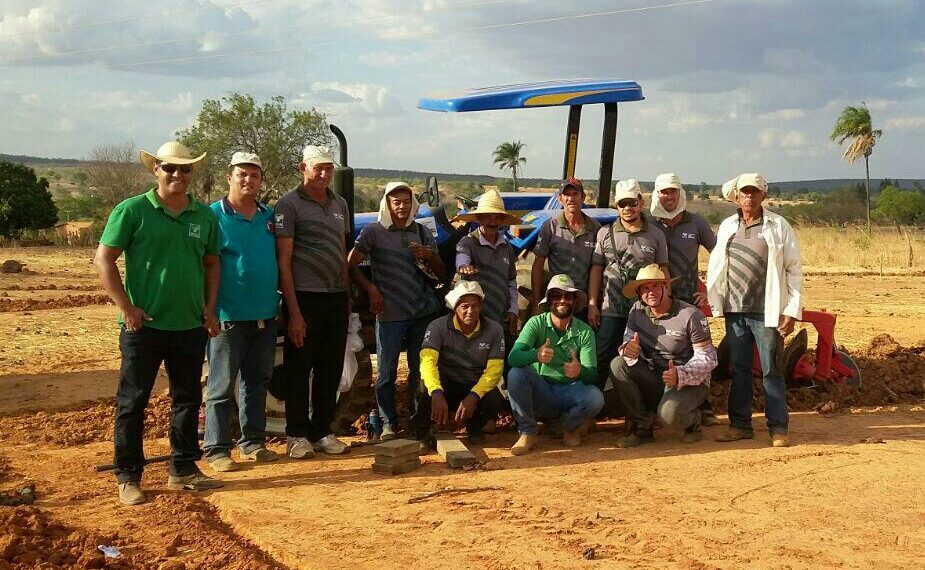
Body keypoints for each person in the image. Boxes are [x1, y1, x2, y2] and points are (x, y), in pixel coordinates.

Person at [94, 141, 222, 505]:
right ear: (156, 170)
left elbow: (212, 263)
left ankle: (182, 469)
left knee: (187, 398)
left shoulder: (203, 216)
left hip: (189, 326)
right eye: (170, 168)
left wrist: (209, 307)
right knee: (133, 402)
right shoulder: (132, 210)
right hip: (143, 328)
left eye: (185, 169)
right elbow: (104, 261)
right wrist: (127, 307)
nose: (177, 175)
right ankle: (129, 476)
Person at [706, 173, 803, 448]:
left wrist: (791, 310)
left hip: (766, 310)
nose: (749, 196)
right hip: (734, 310)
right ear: (736, 196)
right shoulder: (727, 225)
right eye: (744, 192)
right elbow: (717, 266)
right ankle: (740, 425)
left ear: (763, 195)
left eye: (754, 192)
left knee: (772, 367)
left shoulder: (778, 225)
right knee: (739, 368)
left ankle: (778, 427)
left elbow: (793, 269)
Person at [348, 181, 445, 441]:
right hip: (389, 312)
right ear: (388, 205)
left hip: (421, 311)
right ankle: (389, 423)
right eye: (396, 202)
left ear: (412, 204)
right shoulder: (373, 232)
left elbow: (442, 273)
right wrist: (371, 289)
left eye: (406, 201)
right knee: (387, 372)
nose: (402, 206)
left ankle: (417, 424)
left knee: (420, 370)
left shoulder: (422, 232)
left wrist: (429, 254)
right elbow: (350, 264)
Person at [203, 152, 280, 473]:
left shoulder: (270, 217)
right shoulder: (212, 216)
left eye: (254, 175)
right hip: (228, 314)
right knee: (221, 385)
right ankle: (217, 449)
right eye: (242, 175)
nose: (249, 180)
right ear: (229, 178)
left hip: (265, 312)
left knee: (256, 381)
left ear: (261, 180)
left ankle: (252, 443)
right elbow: (205, 264)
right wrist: (209, 310)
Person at [274, 145, 351, 459]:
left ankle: (322, 430)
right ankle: (296, 434)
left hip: (336, 297)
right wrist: (293, 310)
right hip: (305, 297)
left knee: (330, 368)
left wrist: (346, 298)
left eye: (329, 168)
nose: (324, 174)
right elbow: (284, 261)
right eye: (318, 168)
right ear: (302, 168)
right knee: (299, 367)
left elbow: (343, 253)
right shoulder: (288, 205)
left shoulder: (340, 204)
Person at [610, 264, 717, 447]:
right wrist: (629, 350)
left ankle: (693, 421)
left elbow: (708, 358)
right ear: (639, 293)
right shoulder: (636, 311)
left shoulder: (690, 315)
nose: (650, 292)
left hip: (688, 380)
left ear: (666, 287)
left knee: (668, 416)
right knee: (618, 364)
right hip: (655, 375)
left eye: (655, 286)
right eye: (645, 288)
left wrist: (680, 374)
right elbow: (627, 342)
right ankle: (642, 427)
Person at [650, 172, 719, 425]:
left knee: (694, 352)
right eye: (663, 192)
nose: (668, 197)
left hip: (689, 299)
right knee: (660, 348)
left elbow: (720, 255)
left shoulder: (697, 223)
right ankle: (659, 402)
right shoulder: (650, 223)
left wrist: (710, 291)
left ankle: (702, 405)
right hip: (656, 299)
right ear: (657, 195)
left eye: (673, 191)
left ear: (681, 194)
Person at [506, 274, 602, 455]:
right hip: (542, 391)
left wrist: (579, 371)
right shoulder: (536, 323)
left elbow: (592, 374)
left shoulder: (584, 331)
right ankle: (527, 431)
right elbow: (513, 357)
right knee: (516, 374)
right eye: (556, 296)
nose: (562, 300)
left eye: (568, 296)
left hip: (569, 390)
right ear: (548, 300)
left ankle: (568, 428)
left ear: (574, 301)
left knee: (595, 398)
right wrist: (535, 355)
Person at [587, 179, 669, 388]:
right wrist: (592, 304)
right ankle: (595, 405)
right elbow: (597, 269)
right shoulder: (605, 233)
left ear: (641, 202)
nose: (627, 208)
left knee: (644, 357)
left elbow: (663, 270)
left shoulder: (656, 234)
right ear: (617, 206)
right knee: (601, 356)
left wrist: (664, 302)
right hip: (610, 309)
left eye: (632, 203)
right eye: (622, 204)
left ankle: (640, 409)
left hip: (643, 311)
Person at [414, 281, 506, 446]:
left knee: (494, 398)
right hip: (446, 383)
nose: (470, 311)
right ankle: (422, 433)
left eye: (475, 306)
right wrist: (436, 391)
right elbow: (427, 362)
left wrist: (474, 396)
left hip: (473, 383)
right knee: (423, 388)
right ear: (455, 307)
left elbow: (495, 370)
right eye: (464, 306)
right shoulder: (437, 327)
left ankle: (475, 429)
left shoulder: (494, 330)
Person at [531, 177, 601, 318]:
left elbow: (597, 268)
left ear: (583, 197)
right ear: (560, 199)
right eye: (567, 194)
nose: (571, 198)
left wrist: (593, 303)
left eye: (575, 194)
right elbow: (538, 264)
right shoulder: (550, 227)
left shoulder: (595, 229)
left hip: (582, 302)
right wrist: (536, 302)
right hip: (557, 300)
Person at [454, 190, 522, 337]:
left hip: (501, 317)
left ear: (502, 220)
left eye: (497, 218)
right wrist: (463, 266)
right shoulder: (468, 242)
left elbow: (511, 281)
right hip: (476, 319)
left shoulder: (507, 247)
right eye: (487, 217)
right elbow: (461, 258)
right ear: (478, 218)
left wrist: (513, 309)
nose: (492, 222)